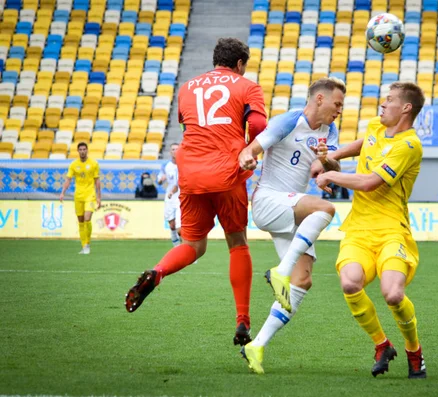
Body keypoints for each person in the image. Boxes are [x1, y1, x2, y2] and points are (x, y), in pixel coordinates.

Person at [124, 37, 268, 345]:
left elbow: (188, 125)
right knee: (237, 243)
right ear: (240, 64)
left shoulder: (187, 87)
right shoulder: (247, 86)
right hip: (227, 172)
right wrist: (250, 151)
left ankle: (158, 272)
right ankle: (242, 320)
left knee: (193, 245)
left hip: (190, 173)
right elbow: (257, 126)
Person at [316, 82, 427, 379]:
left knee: (392, 294)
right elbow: (365, 143)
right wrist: (333, 155)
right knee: (350, 283)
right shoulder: (378, 126)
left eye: (389, 100)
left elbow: (368, 183)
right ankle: (382, 344)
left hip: (392, 231)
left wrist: (331, 173)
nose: (382, 104)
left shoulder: (409, 146)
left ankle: (414, 351)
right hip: (359, 231)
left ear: (406, 108)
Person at [237, 77, 344, 374]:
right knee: (325, 208)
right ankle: (279, 272)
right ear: (319, 99)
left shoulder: (330, 130)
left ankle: (256, 345)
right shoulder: (288, 121)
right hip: (269, 201)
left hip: (292, 206)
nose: (339, 111)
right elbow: (253, 149)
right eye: (337, 104)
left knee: (303, 280)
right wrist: (247, 157)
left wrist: (326, 161)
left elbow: (331, 167)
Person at [59, 142, 101, 255]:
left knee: (87, 218)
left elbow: (97, 180)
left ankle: (87, 243)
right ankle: (84, 246)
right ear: (78, 151)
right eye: (80, 149)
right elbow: (68, 179)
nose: (82, 151)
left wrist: (99, 197)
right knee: (81, 221)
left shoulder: (93, 163)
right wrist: (62, 192)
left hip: (90, 195)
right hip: (78, 196)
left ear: (87, 150)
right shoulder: (73, 165)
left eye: (84, 149)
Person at [158, 143, 181, 246]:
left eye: (177, 149)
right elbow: (159, 180)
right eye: (173, 149)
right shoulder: (166, 166)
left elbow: (179, 183)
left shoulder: (184, 165)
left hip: (182, 197)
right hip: (170, 198)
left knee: (180, 228)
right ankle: (177, 249)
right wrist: (161, 179)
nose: (175, 151)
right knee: (172, 226)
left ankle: (186, 251)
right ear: (170, 152)